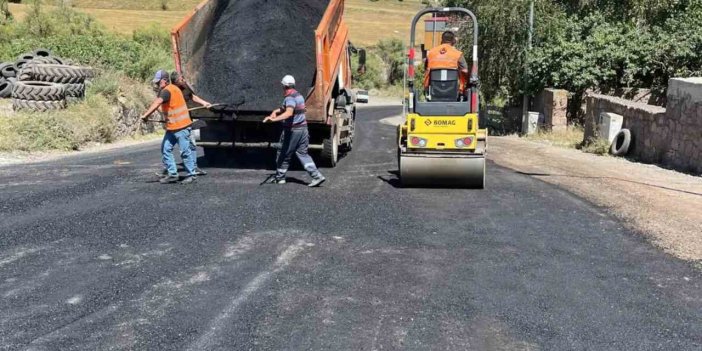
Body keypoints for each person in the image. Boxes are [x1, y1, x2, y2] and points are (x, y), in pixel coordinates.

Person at [262, 75, 326, 187]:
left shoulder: (290, 98)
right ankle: (317, 176)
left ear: (284, 86)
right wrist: (276, 111)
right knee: (303, 153)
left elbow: (289, 112)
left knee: (284, 153)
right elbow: (288, 108)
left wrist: (273, 119)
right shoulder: (299, 96)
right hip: (303, 130)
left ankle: (280, 177)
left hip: (293, 131)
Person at [141, 70, 197, 184]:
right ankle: (172, 174)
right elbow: (166, 108)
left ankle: (191, 174)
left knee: (185, 151)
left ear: (165, 81)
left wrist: (146, 115)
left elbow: (157, 103)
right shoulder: (170, 89)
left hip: (181, 127)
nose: (157, 85)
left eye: (158, 82)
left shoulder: (167, 91)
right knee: (166, 149)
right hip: (172, 127)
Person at [170, 71, 210, 176]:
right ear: (176, 82)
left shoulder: (184, 87)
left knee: (191, 144)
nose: (184, 80)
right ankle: (173, 170)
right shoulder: (172, 91)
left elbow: (192, 96)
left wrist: (204, 103)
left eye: (183, 78)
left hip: (187, 121)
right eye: (181, 79)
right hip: (177, 124)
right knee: (173, 147)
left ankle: (194, 167)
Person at [423, 31, 470, 96]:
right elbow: (465, 71)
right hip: (452, 90)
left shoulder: (430, 53)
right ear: (453, 41)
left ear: (442, 40)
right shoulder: (458, 54)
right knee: (463, 72)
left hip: (433, 90)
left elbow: (426, 69)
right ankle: (460, 91)